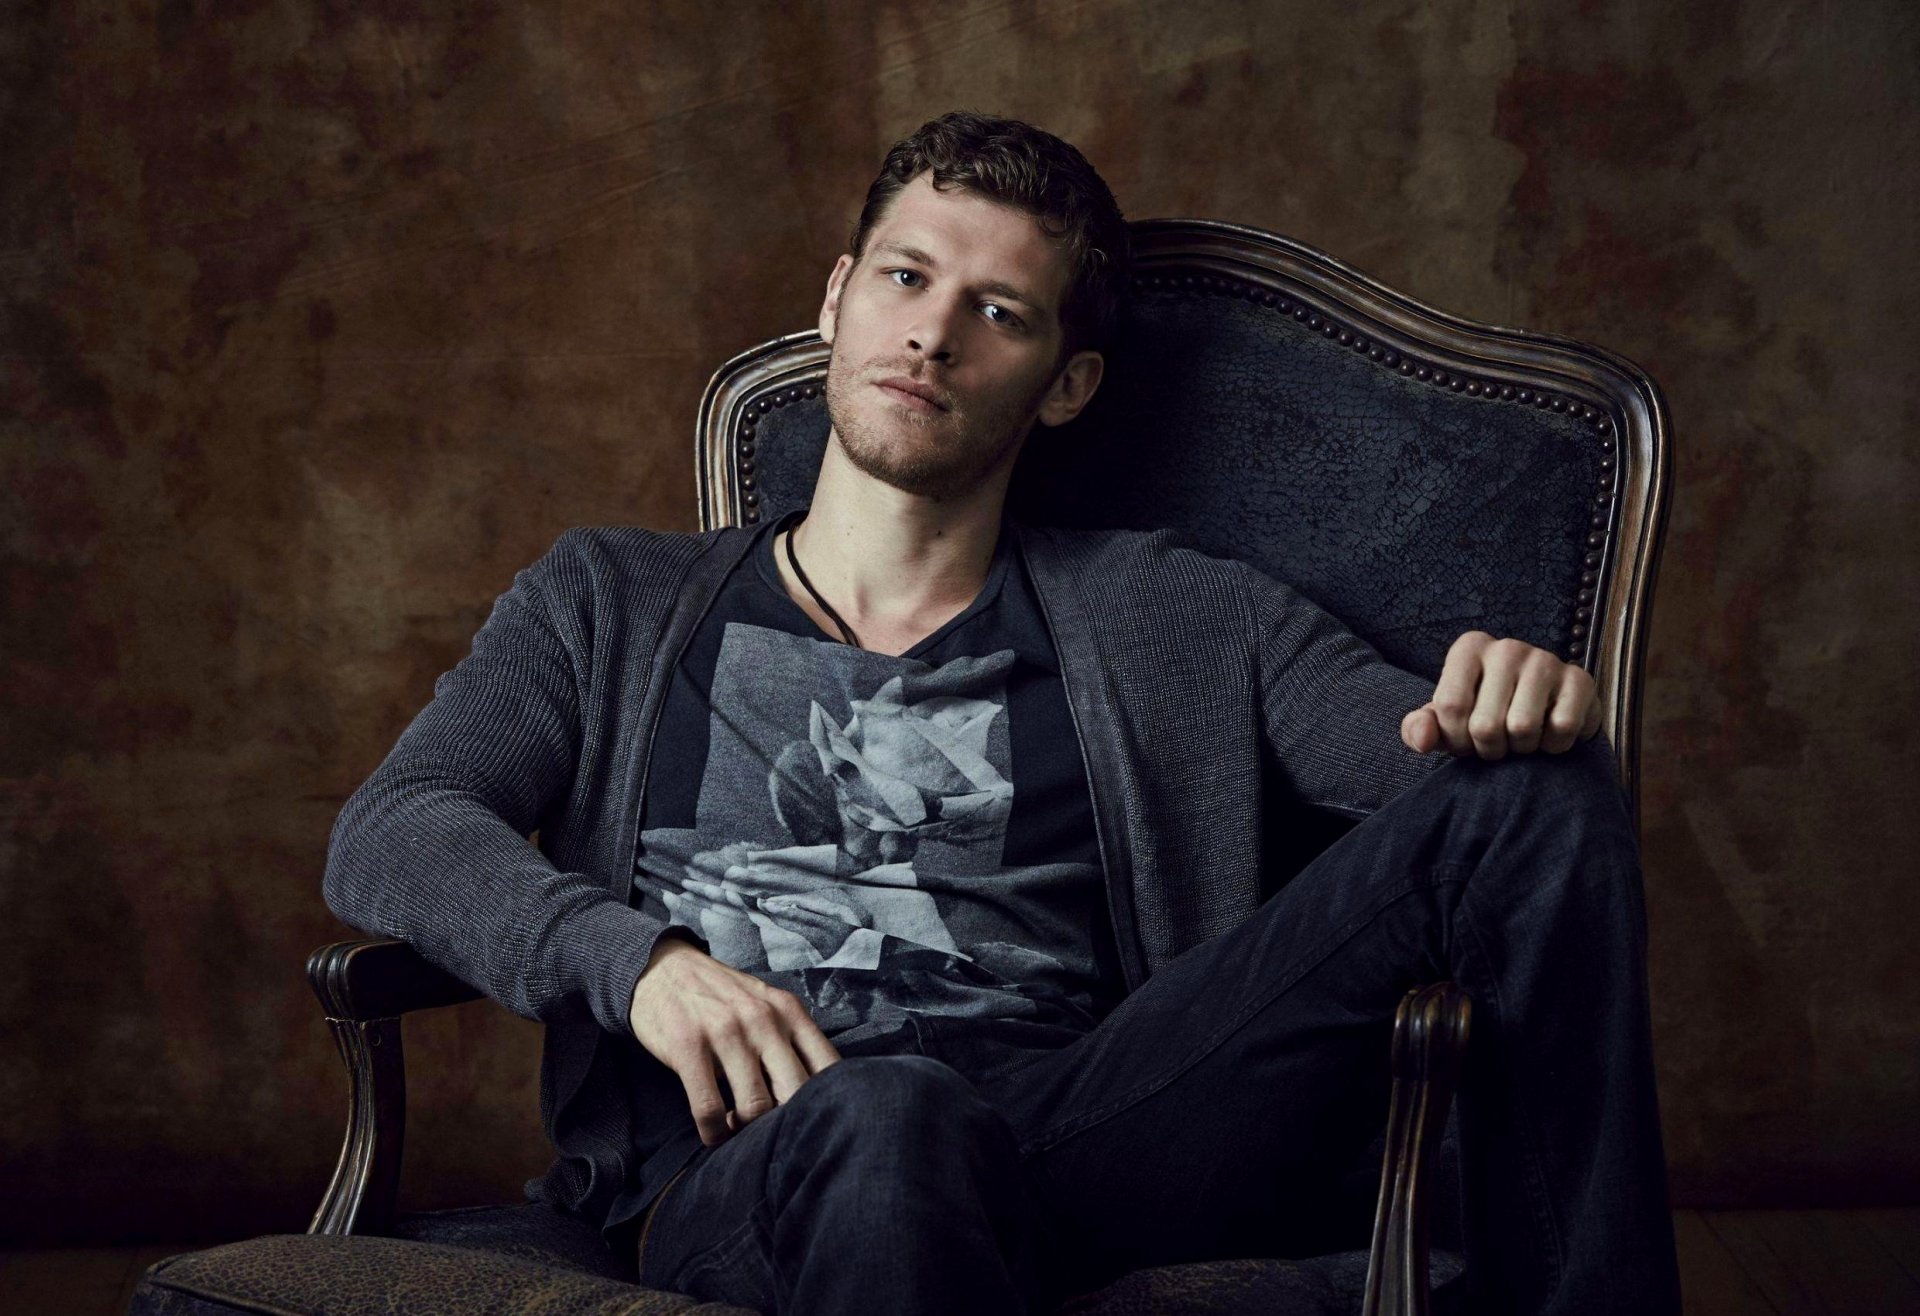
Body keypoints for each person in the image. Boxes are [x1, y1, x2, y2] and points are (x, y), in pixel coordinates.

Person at [323, 110, 1681, 1315]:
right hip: (742, 1165)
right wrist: (640, 965)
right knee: (888, 1115)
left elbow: (1443, 775)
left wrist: (1517, 705)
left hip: (1084, 1139)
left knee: (1540, 794)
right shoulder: (608, 598)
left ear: (1066, 382)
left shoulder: (1181, 614)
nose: (932, 333)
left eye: (1001, 312)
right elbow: (393, 828)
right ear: (838, 299)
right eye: (906, 277)